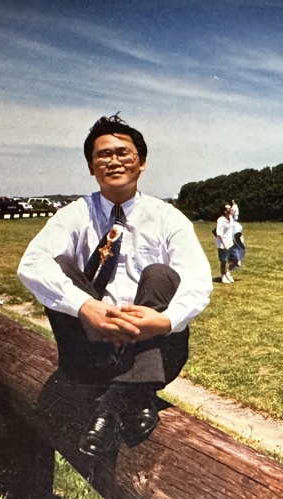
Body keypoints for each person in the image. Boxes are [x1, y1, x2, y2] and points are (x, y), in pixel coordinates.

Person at [17, 114, 212, 458]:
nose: (114, 161)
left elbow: (198, 279)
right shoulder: (74, 214)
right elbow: (31, 264)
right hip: (91, 349)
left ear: (142, 162)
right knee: (57, 264)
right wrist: (84, 306)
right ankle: (135, 395)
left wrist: (163, 321)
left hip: (155, 347)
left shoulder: (168, 218)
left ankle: (111, 407)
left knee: (161, 274)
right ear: (91, 167)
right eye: (103, 154)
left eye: (123, 153)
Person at [215, 204, 236, 282]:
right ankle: (223, 276)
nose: (231, 209)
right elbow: (219, 234)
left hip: (231, 243)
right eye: (229, 208)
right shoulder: (220, 220)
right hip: (223, 244)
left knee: (236, 258)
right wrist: (224, 245)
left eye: (231, 208)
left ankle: (228, 272)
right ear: (224, 211)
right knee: (224, 260)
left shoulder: (231, 217)